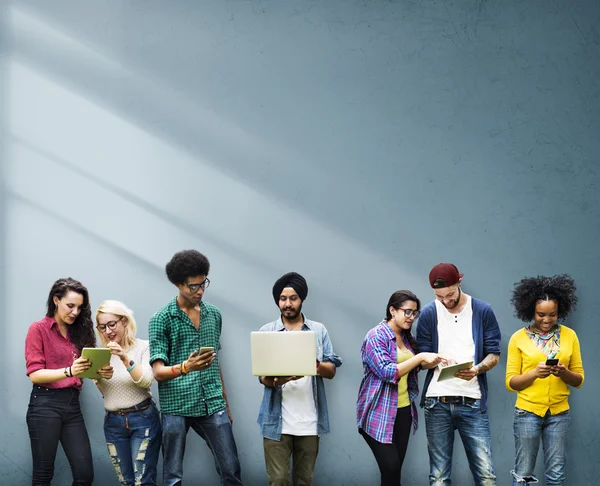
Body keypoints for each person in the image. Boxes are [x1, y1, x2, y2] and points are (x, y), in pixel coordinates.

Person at [149, 249, 243, 486]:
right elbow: (158, 372)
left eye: (204, 284)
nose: (200, 291)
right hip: (176, 406)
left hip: (212, 402)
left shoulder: (214, 315)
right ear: (178, 284)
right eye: (193, 286)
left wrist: (225, 404)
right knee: (172, 477)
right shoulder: (161, 319)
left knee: (231, 470)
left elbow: (214, 361)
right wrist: (186, 367)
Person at [416, 263, 501, 486]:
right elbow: (421, 359)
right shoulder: (428, 313)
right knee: (439, 477)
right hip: (436, 402)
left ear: (459, 283)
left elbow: (494, 353)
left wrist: (477, 369)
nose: (445, 300)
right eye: (439, 296)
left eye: (450, 294)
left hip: (472, 401)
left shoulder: (482, 310)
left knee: (486, 476)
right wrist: (432, 359)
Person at [25, 277, 112, 486]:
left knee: (84, 475)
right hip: (45, 405)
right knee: (43, 475)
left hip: (72, 406)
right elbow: (35, 374)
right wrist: (69, 371)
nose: (75, 312)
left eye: (79, 308)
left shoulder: (79, 333)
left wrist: (101, 373)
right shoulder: (38, 329)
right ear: (56, 300)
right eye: (70, 305)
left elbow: (88, 372)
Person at [257, 272, 342, 486]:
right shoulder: (267, 332)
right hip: (276, 422)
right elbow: (263, 378)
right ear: (278, 301)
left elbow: (331, 370)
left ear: (301, 299)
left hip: (309, 422)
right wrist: (279, 380)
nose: (288, 304)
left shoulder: (318, 330)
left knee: (304, 481)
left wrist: (313, 365)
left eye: (293, 298)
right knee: (278, 481)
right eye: (283, 299)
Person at [357, 290, 445, 486]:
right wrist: (420, 357)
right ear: (392, 310)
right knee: (391, 466)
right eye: (407, 312)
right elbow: (388, 372)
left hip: (403, 411)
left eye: (415, 313)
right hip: (378, 412)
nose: (411, 317)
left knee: (394, 473)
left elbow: (414, 366)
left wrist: (435, 361)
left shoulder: (406, 337)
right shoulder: (375, 336)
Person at [506, 274, 584, 486]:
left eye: (553, 314)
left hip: (559, 414)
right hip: (527, 413)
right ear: (531, 310)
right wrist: (534, 374)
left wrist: (564, 372)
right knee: (523, 475)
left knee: (556, 475)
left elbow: (578, 380)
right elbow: (511, 383)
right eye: (541, 314)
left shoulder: (570, 336)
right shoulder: (518, 338)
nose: (547, 320)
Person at [95, 300, 162, 486]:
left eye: (112, 324)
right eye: (102, 327)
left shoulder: (144, 347)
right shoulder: (101, 354)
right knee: (126, 482)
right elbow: (105, 392)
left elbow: (147, 381)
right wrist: (99, 377)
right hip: (113, 422)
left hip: (143, 419)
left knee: (144, 481)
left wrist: (125, 358)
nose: (108, 331)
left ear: (124, 321)